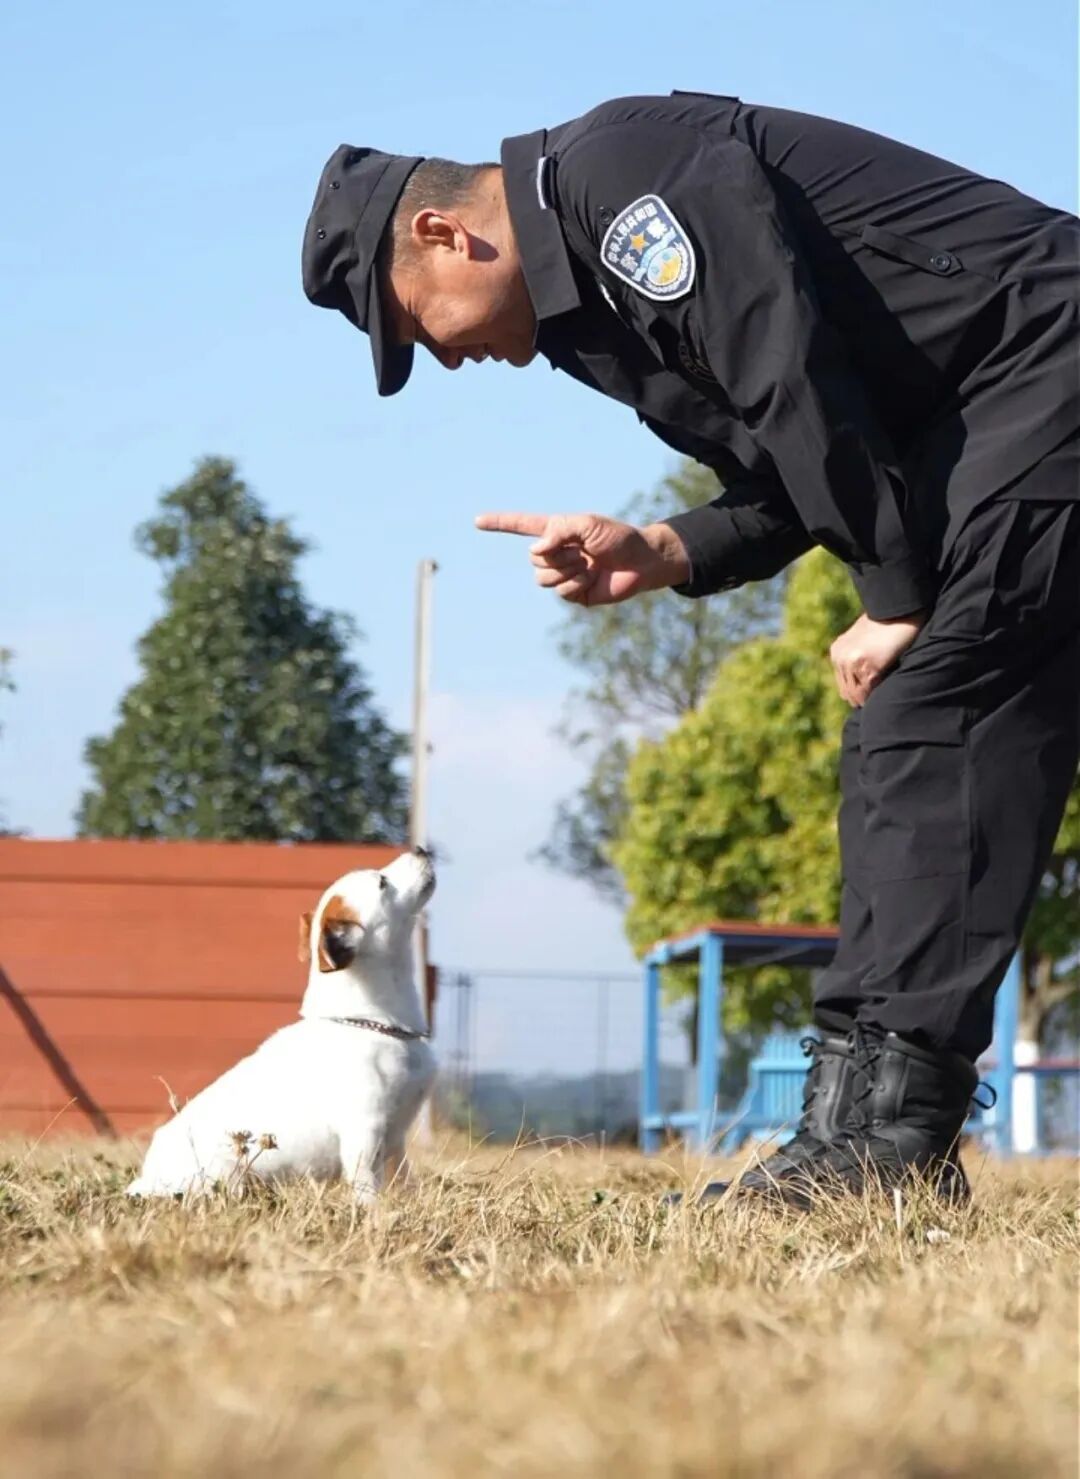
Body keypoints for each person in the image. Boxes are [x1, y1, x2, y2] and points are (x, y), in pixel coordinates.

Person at [301, 92, 1079, 1206]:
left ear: (441, 234)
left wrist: (894, 592)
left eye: (415, 323)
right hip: (995, 410)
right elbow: (784, 466)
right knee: (923, 719)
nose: (444, 355)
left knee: (935, 704)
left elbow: (789, 364)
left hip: (1045, 358)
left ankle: (879, 1150)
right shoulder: (589, 321)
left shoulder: (623, 183)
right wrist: (666, 547)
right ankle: (864, 1132)